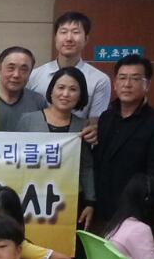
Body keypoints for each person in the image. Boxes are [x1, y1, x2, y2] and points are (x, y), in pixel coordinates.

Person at [93, 54, 154, 231]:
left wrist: (142, 218)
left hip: (134, 216)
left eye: (135, 79)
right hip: (101, 211)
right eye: (122, 78)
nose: (127, 84)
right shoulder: (106, 118)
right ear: (115, 84)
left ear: (147, 85)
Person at [16, 65, 96, 230]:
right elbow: (15, 160)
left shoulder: (83, 126)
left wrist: (90, 201)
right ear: (51, 91)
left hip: (69, 201)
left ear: (80, 95)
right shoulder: (28, 120)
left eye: (73, 89)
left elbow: (86, 167)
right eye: (61, 87)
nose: (65, 94)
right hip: (30, 198)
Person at [27, 11, 111, 120]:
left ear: (86, 39)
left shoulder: (99, 80)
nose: (69, 38)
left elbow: (95, 123)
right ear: (55, 38)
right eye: (63, 32)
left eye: (75, 32)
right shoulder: (34, 76)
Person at [0, 46, 46, 131]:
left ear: (30, 72)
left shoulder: (38, 101)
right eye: (11, 68)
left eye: (24, 69)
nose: (16, 75)